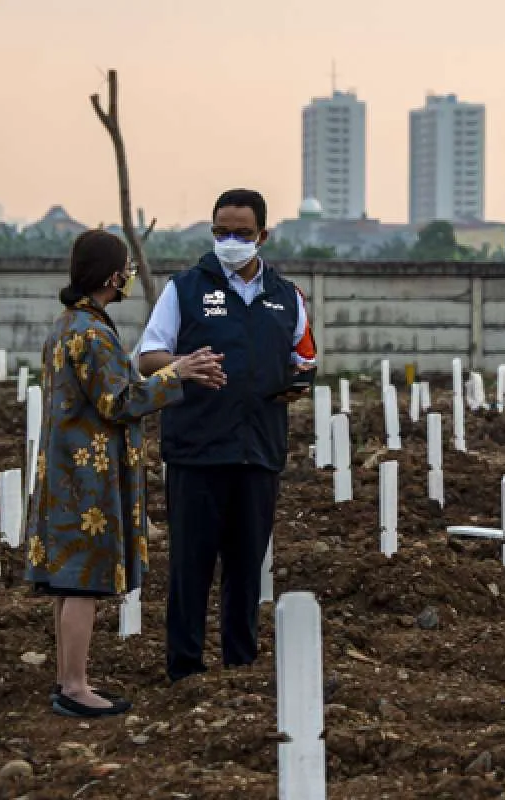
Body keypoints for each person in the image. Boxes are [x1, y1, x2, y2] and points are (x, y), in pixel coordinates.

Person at [24, 230, 225, 718]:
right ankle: (74, 687)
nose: (130, 277)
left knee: (71, 581)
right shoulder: (93, 334)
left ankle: (67, 679)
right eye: (126, 269)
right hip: (87, 479)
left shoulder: (67, 325)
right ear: (113, 276)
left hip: (65, 470)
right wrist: (174, 375)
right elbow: (119, 400)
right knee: (85, 581)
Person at [137, 188, 315, 683]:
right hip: (197, 451)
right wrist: (182, 364)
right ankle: (185, 669)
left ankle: (241, 666)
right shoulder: (185, 289)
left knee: (246, 569)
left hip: (259, 450)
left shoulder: (288, 298)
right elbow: (147, 357)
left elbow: (306, 360)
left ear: (263, 235)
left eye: (241, 233)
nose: (230, 241)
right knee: (191, 569)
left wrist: (297, 385)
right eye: (221, 232)